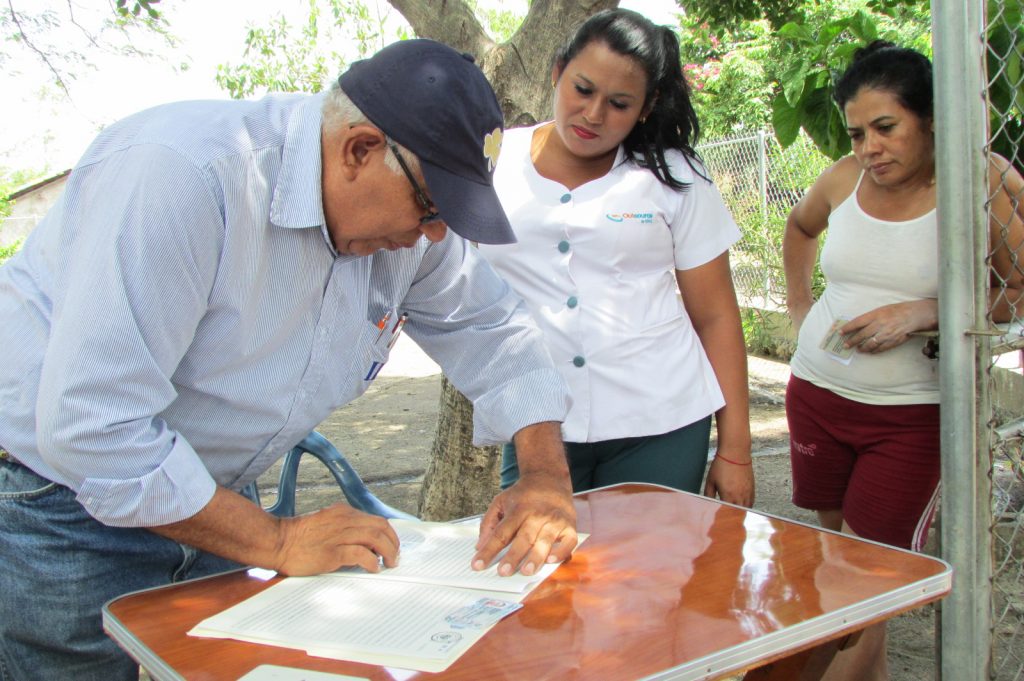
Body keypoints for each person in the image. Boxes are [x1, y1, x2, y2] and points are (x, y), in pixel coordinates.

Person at [0, 39, 580, 680]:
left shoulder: (409, 223)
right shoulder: (185, 174)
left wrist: (546, 475)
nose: (436, 234)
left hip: (211, 500)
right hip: (58, 504)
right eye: (431, 208)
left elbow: (494, 329)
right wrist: (276, 539)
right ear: (358, 150)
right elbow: (93, 425)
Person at [783, 40, 1023, 680]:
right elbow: (800, 227)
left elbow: (1018, 290)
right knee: (837, 558)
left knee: (868, 580)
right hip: (816, 395)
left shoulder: (983, 183)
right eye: (858, 133)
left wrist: (926, 311)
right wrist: (801, 306)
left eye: (885, 128)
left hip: (909, 416)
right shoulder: (843, 177)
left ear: (930, 119)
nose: (869, 149)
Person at [476, 9, 754, 506]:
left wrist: (735, 451)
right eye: (582, 89)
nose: (594, 115)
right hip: (538, 424)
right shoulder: (494, 163)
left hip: (662, 422)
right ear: (557, 70)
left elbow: (714, 316)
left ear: (646, 109)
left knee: (648, 578)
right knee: (541, 573)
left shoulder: (675, 175)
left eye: (620, 103)